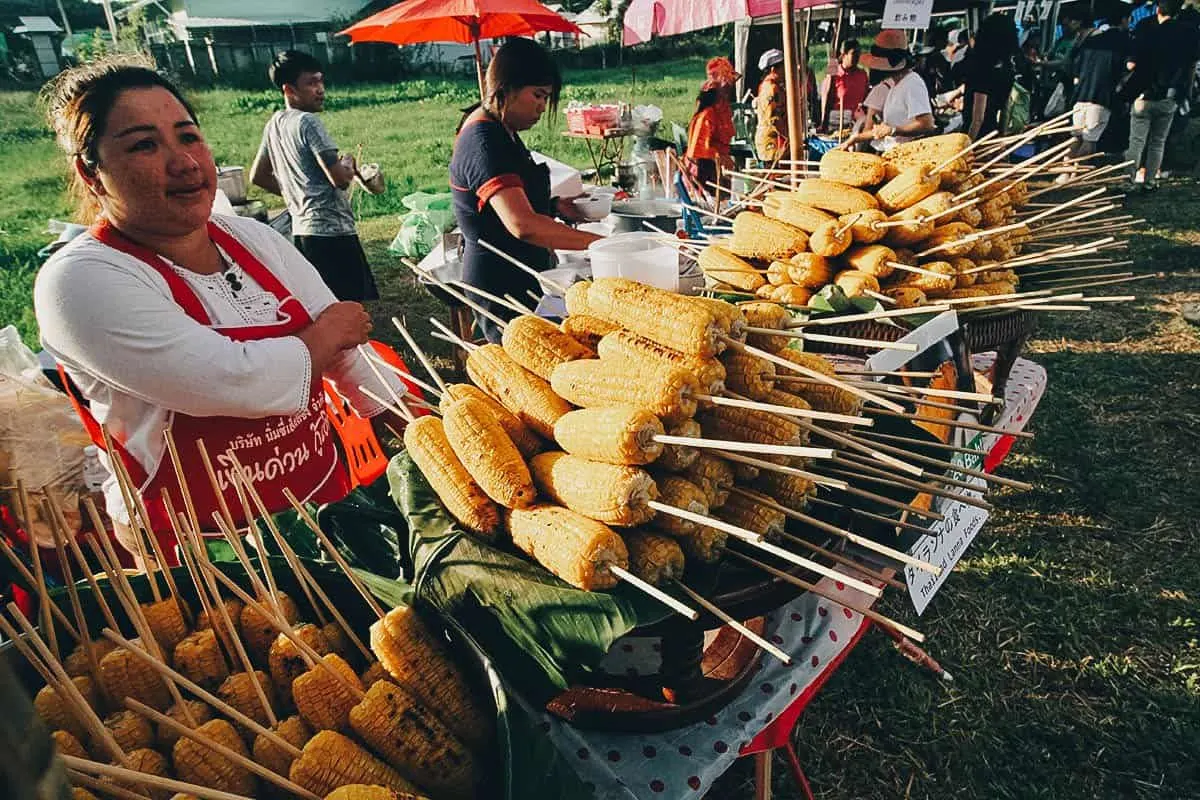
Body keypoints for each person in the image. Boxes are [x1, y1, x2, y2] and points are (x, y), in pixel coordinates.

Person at [34, 58, 409, 560]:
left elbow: (353, 359)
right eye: (145, 144)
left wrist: (421, 434)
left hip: (324, 507)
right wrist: (322, 336)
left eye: (188, 137)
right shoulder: (78, 281)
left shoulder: (253, 239)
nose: (184, 162)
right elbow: (229, 380)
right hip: (203, 548)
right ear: (91, 171)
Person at [449, 38, 600, 343]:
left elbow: (511, 200)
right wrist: (601, 246)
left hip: (531, 273)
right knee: (531, 366)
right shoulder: (483, 141)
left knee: (559, 347)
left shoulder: (502, 129)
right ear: (506, 89)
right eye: (538, 95)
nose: (543, 107)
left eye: (547, 98)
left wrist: (556, 206)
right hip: (502, 282)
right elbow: (522, 225)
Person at [250, 51, 379, 303]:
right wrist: (348, 163)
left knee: (321, 308)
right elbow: (340, 179)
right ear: (288, 90)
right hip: (334, 236)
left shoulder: (274, 123)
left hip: (302, 233)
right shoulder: (308, 122)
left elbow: (259, 176)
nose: (320, 89)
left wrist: (296, 194)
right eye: (310, 83)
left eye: (321, 81)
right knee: (350, 311)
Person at [1124, 0, 1200, 189]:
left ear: (1158, 9)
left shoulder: (1147, 30)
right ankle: (1150, 179)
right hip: (1171, 94)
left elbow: (1132, 64)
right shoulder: (1189, 33)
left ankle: (1129, 178)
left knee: (1137, 140)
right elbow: (1191, 66)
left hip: (1145, 93)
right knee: (1158, 141)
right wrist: (1186, 92)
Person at [838, 29, 936, 152]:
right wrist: (856, 138)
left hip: (908, 153)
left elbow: (927, 124)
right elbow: (882, 130)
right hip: (891, 152)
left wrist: (894, 130)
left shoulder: (912, 83)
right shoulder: (895, 85)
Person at [1067, 2, 1133, 157]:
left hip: (1080, 95)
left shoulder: (1093, 40)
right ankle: (1074, 175)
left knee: (1076, 137)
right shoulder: (1125, 41)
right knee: (1090, 140)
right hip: (1101, 97)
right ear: (1124, 19)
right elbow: (1130, 66)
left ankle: (1063, 173)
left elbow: (1075, 70)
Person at [959, 13, 1020, 139]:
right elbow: (1005, 109)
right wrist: (1002, 138)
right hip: (993, 133)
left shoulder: (982, 69)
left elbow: (977, 119)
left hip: (976, 136)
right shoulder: (1008, 68)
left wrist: (967, 148)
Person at [686, 57, 739, 190]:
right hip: (704, 173)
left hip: (717, 168)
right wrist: (719, 158)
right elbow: (697, 151)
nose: (729, 90)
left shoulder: (722, 109)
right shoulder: (707, 115)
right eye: (726, 87)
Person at [820, 39, 870, 132]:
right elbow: (825, 100)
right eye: (854, 53)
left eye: (859, 53)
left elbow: (866, 99)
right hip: (838, 123)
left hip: (858, 123)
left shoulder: (862, 74)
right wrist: (824, 124)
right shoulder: (834, 74)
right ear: (844, 55)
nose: (857, 57)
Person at [754, 49, 788, 160]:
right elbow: (774, 119)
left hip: (778, 139)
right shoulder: (771, 88)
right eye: (783, 67)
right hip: (772, 142)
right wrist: (789, 138)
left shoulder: (776, 87)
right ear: (774, 69)